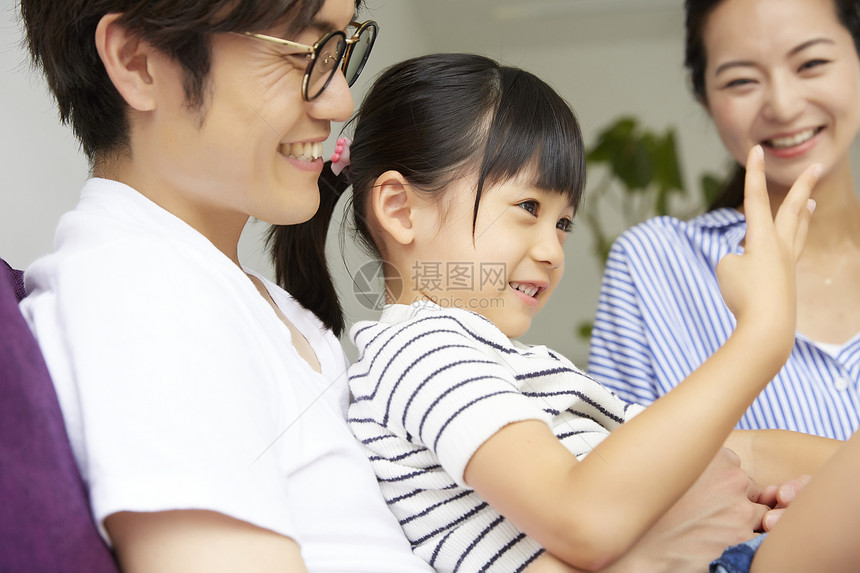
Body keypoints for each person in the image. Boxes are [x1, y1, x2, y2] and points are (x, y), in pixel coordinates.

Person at [270, 51, 853, 572]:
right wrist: (762, 335)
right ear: (401, 209)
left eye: (564, 222)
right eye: (528, 206)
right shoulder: (420, 351)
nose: (552, 250)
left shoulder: (502, 363)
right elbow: (580, 518)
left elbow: (737, 450)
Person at [15, 0, 436, 571]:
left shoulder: (246, 300)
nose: (341, 100)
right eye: (304, 52)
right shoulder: (144, 292)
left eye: (341, 48)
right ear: (139, 62)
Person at [589, 0, 860, 441]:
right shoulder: (654, 264)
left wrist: (756, 455)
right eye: (741, 80)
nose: (784, 105)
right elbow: (614, 483)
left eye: (811, 63)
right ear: (703, 96)